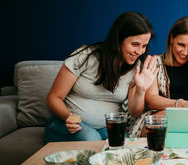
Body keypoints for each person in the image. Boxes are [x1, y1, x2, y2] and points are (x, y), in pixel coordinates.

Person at [44, 11, 158, 142]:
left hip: (105, 128)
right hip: (67, 124)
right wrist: (69, 117)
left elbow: (134, 112)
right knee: (91, 138)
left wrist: (141, 90)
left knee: (123, 143)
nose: (139, 51)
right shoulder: (86, 56)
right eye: (135, 44)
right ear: (119, 39)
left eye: (144, 46)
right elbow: (53, 98)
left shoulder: (136, 67)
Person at [144, 16, 188, 114]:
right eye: (181, 45)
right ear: (171, 38)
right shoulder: (155, 62)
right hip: (164, 117)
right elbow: (151, 100)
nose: (185, 52)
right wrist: (182, 105)